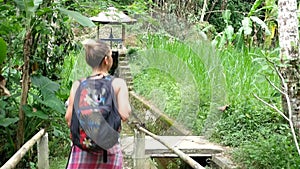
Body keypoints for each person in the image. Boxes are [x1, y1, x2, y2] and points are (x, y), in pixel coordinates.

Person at [65, 39, 131, 169]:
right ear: (106, 60)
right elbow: (125, 114)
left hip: (83, 150)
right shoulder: (117, 83)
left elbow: (68, 119)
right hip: (109, 151)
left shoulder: (78, 85)